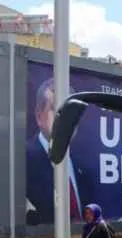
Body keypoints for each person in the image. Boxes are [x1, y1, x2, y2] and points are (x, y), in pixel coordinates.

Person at [25, 78, 85, 225]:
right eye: (57, 109)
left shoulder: (85, 168)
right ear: (39, 116)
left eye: (71, 111)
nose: (66, 118)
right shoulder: (22, 161)